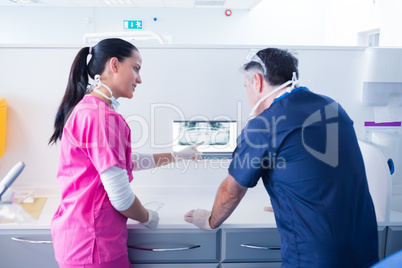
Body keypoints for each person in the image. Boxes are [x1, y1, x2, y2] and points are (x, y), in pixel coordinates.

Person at [185, 48, 379, 267]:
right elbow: (323, 170)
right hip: (365, 249)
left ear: (256, 81)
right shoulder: (332, 108)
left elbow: (231, 193)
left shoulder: (263, 125)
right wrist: (289, 198)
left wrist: (210, 221)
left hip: (314, 256)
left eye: (246, 86)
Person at [49, 38, 201, 268]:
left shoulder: (89, 109)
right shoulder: (101, 118)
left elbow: (126, 161)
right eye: (136, 68)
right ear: (114, 65)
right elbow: (121, 198)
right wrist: (148, 217)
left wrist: (178, 154)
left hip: (80, 239)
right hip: (94, 246)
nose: (139, 79)